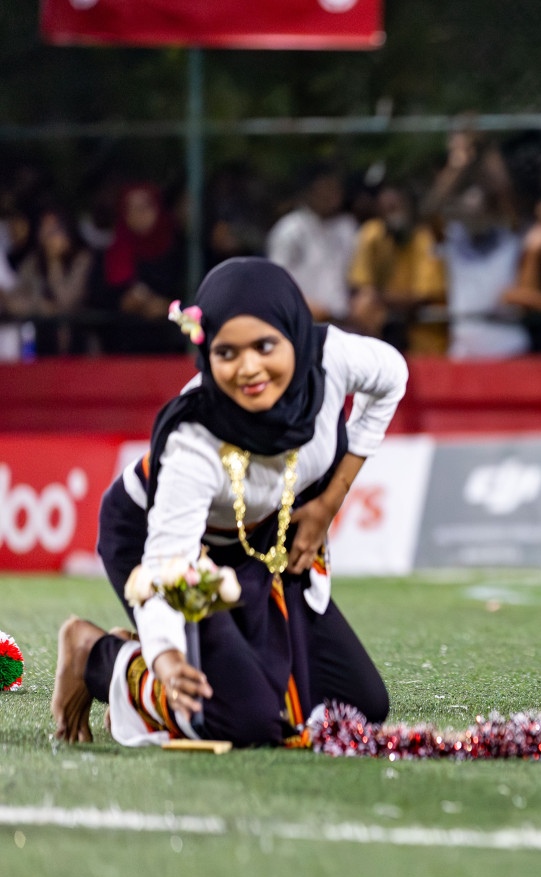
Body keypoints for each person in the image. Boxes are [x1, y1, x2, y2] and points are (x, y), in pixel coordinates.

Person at [51, 258, 404, 747]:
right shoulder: (195, 441)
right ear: (206, 355)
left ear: (294, 336)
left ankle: (205, 658)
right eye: (226, 353)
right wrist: (166, 658)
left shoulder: (334, 357)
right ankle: (97, 654)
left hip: (259, 538)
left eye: (265, 346)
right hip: (167, 550)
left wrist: (329, 502)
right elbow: (164, 567)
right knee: (244, 723)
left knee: (356, 709)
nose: (249, 369)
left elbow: (393, 377)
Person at [347, 184, 448, 356]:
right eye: (388, 209)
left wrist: (380, 299)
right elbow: (361, 285)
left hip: (423, 340)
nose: (394, 215)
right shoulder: (372, 233)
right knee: (361, 306)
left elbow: (423, 295)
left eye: (397, 207)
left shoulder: (424, 236)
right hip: (383, 336)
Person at [95, 182, 187, 353]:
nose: (138, 214)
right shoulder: (113, 254)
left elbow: (196, 299)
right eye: (131, 208)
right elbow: (96, 302)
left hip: (172, 352)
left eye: (145, 207)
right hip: (122, 354)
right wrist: (122, 303)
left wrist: (168, 307)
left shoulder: (182, 252)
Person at [440, 184, 529, 359]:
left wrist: (489, 158)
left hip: (507, 343)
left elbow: (509, 201)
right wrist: (456, 168)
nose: (474, 215)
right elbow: (430, 210)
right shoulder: (453, 241)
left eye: (480, 209)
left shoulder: (509, 241)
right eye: (468, 209)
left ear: (491, 211)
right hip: (464, 345)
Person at [266, 167, 357, 324]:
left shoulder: (347, 227)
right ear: (309, 192)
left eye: (335, 188)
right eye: (325, 188)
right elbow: (275, 282)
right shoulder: (290, 229)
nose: (332, 194)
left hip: (346, 320)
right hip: (304, 319)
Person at [6, 207, 94, 356]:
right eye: (44, 228)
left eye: (55, 229)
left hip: (78, 346)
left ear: (67, 231)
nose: (49, 236)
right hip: (40, 346)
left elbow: (66, 302)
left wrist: (54, 264)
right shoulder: (33, 262)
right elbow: (14, 302)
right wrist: (41, 306)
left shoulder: (82, 259)